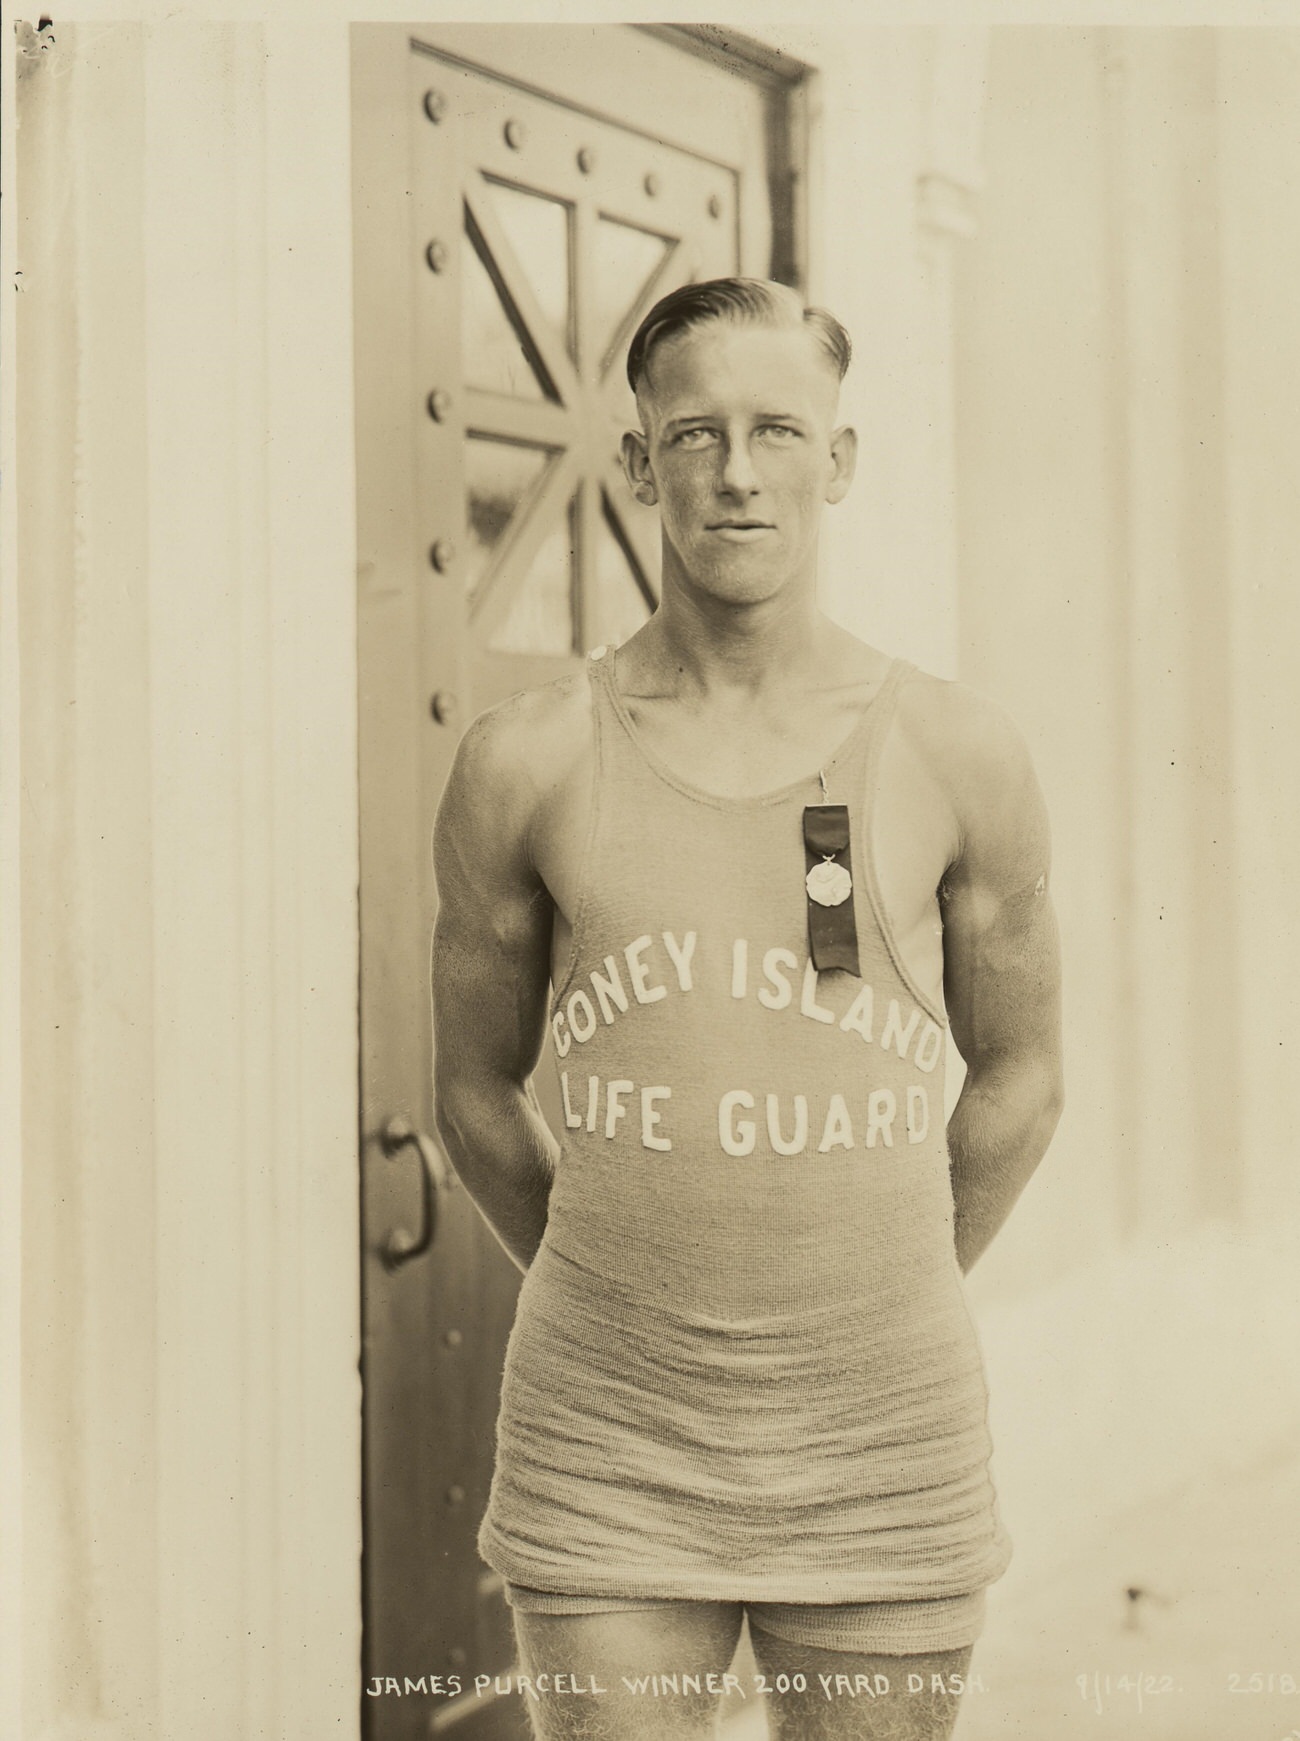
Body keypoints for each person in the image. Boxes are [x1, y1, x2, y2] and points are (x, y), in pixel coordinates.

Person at [431, 278, 1064, 1741]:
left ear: (837, 460)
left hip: (881, 1430)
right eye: (696, 432)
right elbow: (473, 1089)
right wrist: (617, 1277)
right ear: (640, 462)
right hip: (609, 1432)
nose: (738, 470)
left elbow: (1021, 1077)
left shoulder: (957, 749)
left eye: (779, 429)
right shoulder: (528, 758)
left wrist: (874, 1278)